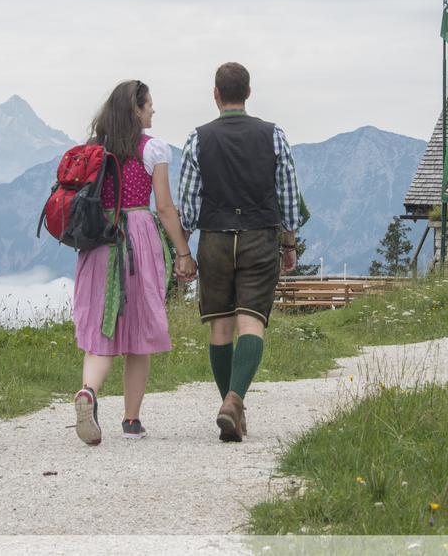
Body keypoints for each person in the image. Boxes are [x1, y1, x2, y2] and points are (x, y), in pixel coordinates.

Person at [175, 62, 306, 442]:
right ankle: (234, 401)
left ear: (215, 95)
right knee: (252, 322)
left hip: (215, 238)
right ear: (248, 93)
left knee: (220, 325)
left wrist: (183, 252)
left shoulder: (197, 138)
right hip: (259, 235)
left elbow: (187, 205)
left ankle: (231, 405)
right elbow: (288, 195)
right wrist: (289, 243)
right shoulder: (273, 135)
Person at [71, 80, 197, 445]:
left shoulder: (95, 148)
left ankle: (89, 392)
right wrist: (183, 253)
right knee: (139, 333)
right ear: (136, 110)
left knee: (101, 327)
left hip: (99, 240)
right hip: (137, 236)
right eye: (149, 105)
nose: (153, 110)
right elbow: (164, 207)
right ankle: (131, 421)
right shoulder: (153, 149)